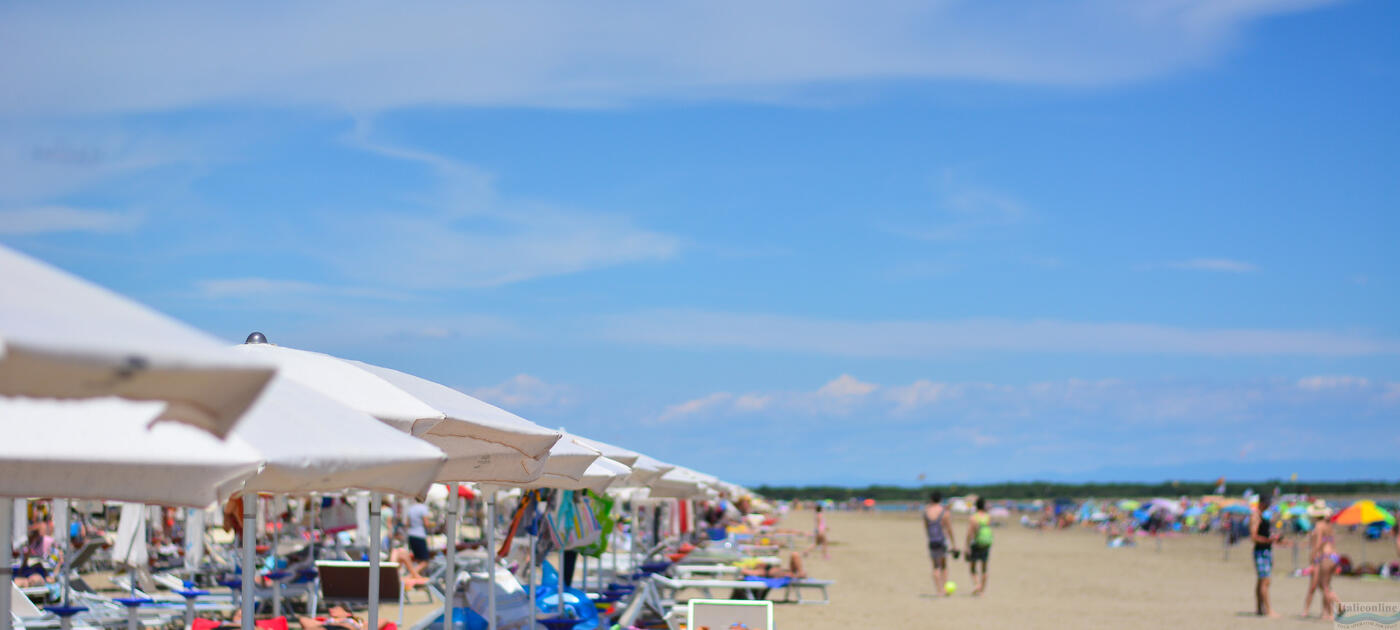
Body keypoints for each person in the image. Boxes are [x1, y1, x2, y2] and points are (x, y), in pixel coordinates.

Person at [1250, 495, 1285, 618]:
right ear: (1262, 503)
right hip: (1261, 551)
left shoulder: (1262, 516)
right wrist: (1269, 540)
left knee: (1261, 581)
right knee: (1265, 581)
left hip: (1265, 550)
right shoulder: (1255, 516)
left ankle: (1260, 608)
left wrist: (1273, 538)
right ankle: (1268, 610)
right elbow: (1253, 537)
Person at [1303, 514, 1340, 619]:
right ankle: (1326, 613)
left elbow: (1318, 544)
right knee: (1325, 585)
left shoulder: (1319, 525)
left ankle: (1336, 609)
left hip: (1325, 557)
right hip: (1334, 556)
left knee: (1324, 587)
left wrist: (1313, 556)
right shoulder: (1329, 526)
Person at [923, 491, 955, 596]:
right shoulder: (944, 511)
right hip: (942, 540)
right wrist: (954, 543)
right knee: (944, 566)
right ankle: (945, 588)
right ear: (940, 499)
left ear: (931, 499)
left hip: (932, 540)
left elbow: (926, 527)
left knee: (935, 566)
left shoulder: (926, 511)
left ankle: (939, 590)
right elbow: (949, 528)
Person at [964, 497, 993, 596]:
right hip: (987, 543)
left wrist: (967, 546)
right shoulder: (988, 516)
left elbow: (970, 533)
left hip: (977, 543)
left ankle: (977, 585)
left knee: (973, 567)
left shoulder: (973, 517)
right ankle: (982, 591)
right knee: (984, 568)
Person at [404, 499, 433, 576]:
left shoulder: (411, 508)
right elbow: (426, 523)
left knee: (417, 559)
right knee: (425, 561)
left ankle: (416, 576)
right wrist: (432, 525)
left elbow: (407, 523)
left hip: (411, 534)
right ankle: (411, 575)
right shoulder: (423, 508)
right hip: (419, 535)